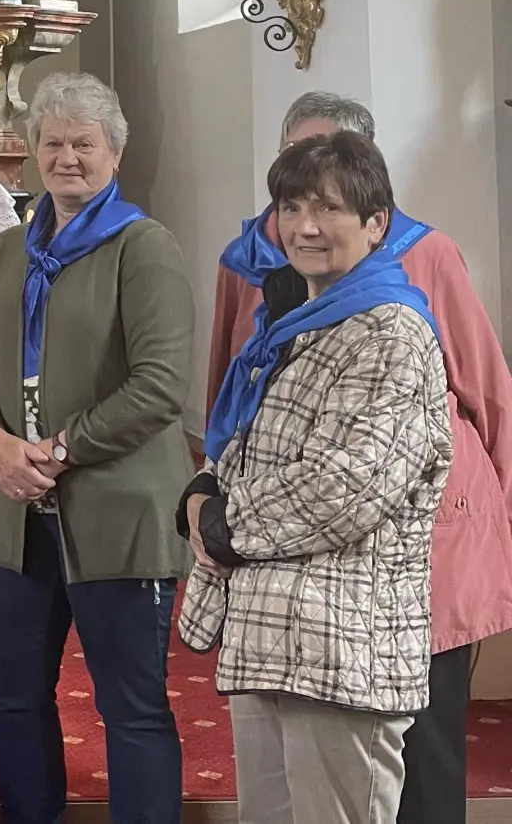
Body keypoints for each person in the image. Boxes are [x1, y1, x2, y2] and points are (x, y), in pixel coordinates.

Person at [206, 92, 512, 824]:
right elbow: (232, 407)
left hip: (371, 600)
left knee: (418, 763)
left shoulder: (404, 301)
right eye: (294, 193)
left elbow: (477, 397)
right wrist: (206, 480)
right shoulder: (263, 272)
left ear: (374, 209)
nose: (309, 219)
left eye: (330, 197)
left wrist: (221, 519)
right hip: (282, 609)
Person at [0, 71, 193, 824]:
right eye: (52, 143)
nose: (67, 158)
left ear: (114, 154)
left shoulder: (143, 249)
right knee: (15, 697)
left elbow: (160, 386)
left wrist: (58, 452)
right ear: (32, 154)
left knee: (132, 708)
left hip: (116, 515)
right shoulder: (6, 254)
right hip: (17, 517)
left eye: (83, 145)